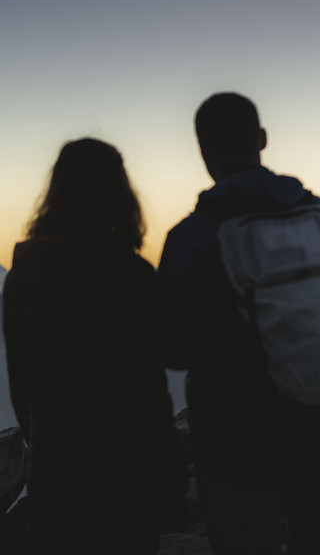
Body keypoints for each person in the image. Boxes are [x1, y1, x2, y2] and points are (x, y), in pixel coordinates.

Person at [158, 93, 320, 555]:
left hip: (233, 441)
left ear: (202, 148)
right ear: (262, 139)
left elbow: (173, 349)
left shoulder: (190, 238)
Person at [2, 138, 185, 554]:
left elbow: (20, 389)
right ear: (121, 197)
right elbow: (148, 390)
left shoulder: (21, 278)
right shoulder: (131, 275)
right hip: (126, 472)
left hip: (53, 474)